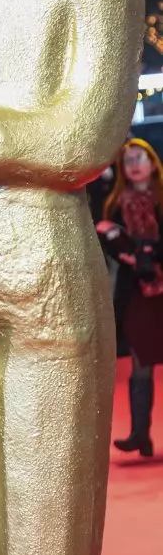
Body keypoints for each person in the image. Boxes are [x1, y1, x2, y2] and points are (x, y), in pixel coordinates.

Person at [97, 138, 163, 457]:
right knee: (140, 361)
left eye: (141, 158)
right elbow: (107, 241)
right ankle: (140, 434)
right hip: (136, 292)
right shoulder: (114, 203)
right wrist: (132, 256)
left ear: (153, 162)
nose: (135, 164)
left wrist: (151, 253)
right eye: (129, 160)